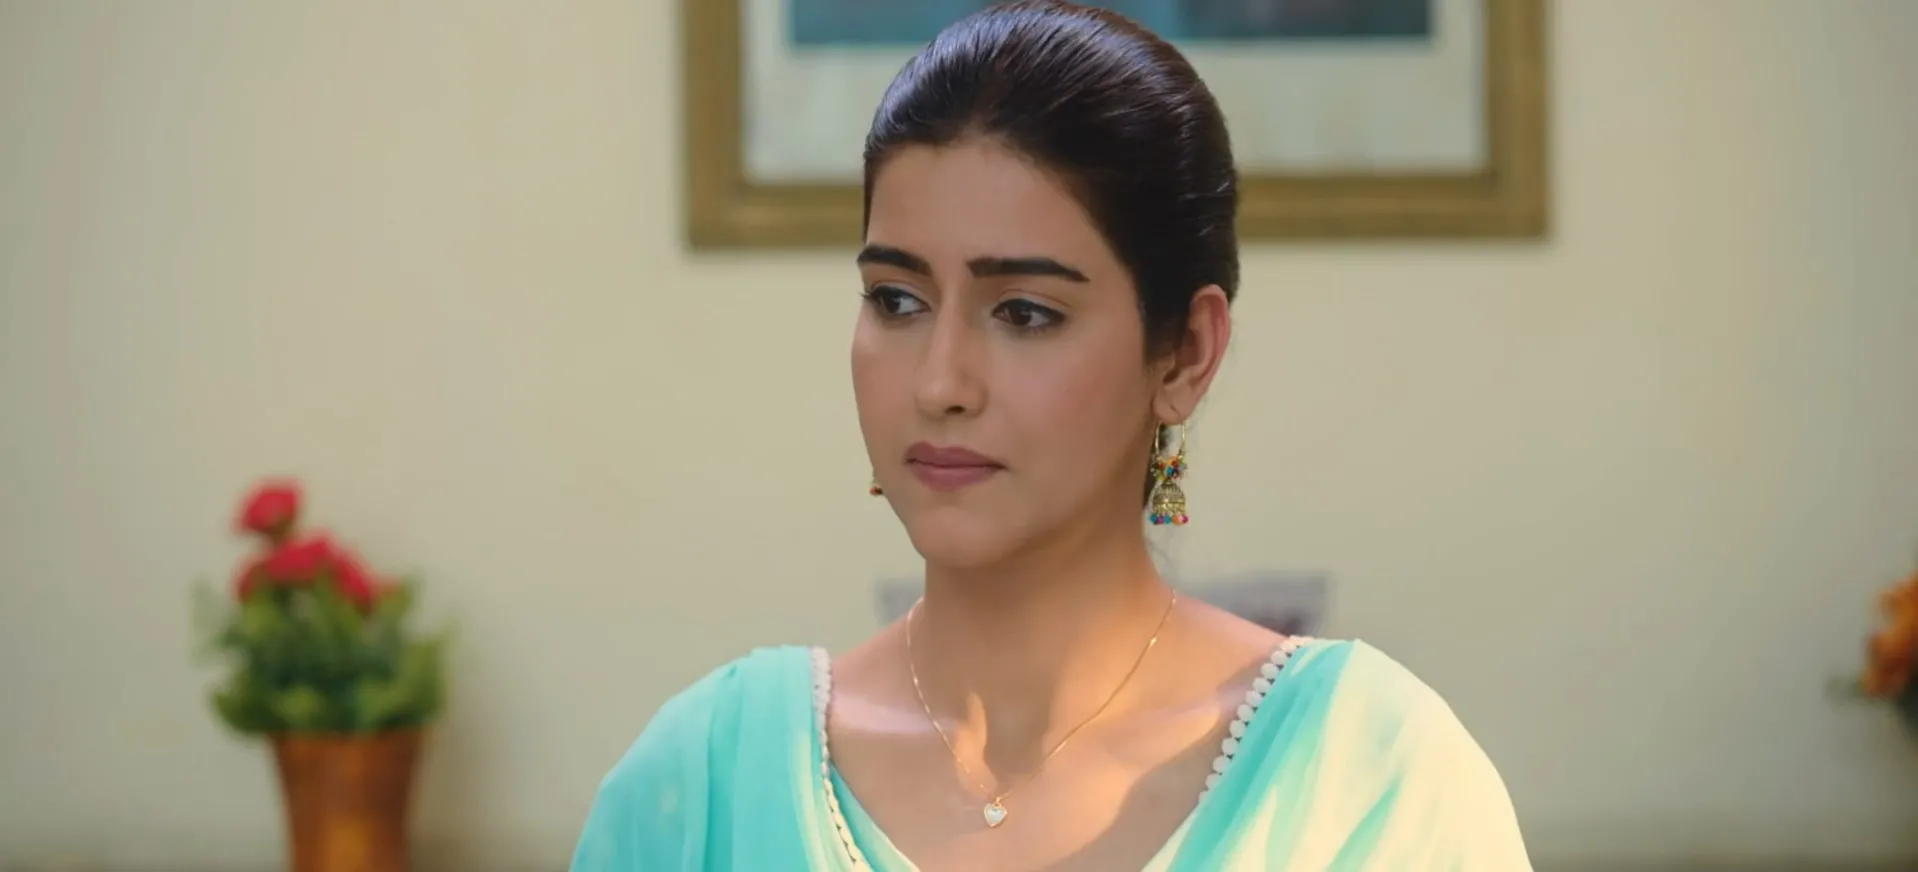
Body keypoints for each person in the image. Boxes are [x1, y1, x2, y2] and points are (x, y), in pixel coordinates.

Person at [569, 2, 1532, 869]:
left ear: (1185, 354)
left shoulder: (1370, 782)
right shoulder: (702, 788)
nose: (940, 383)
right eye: (896, 300)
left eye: (1024, 313)